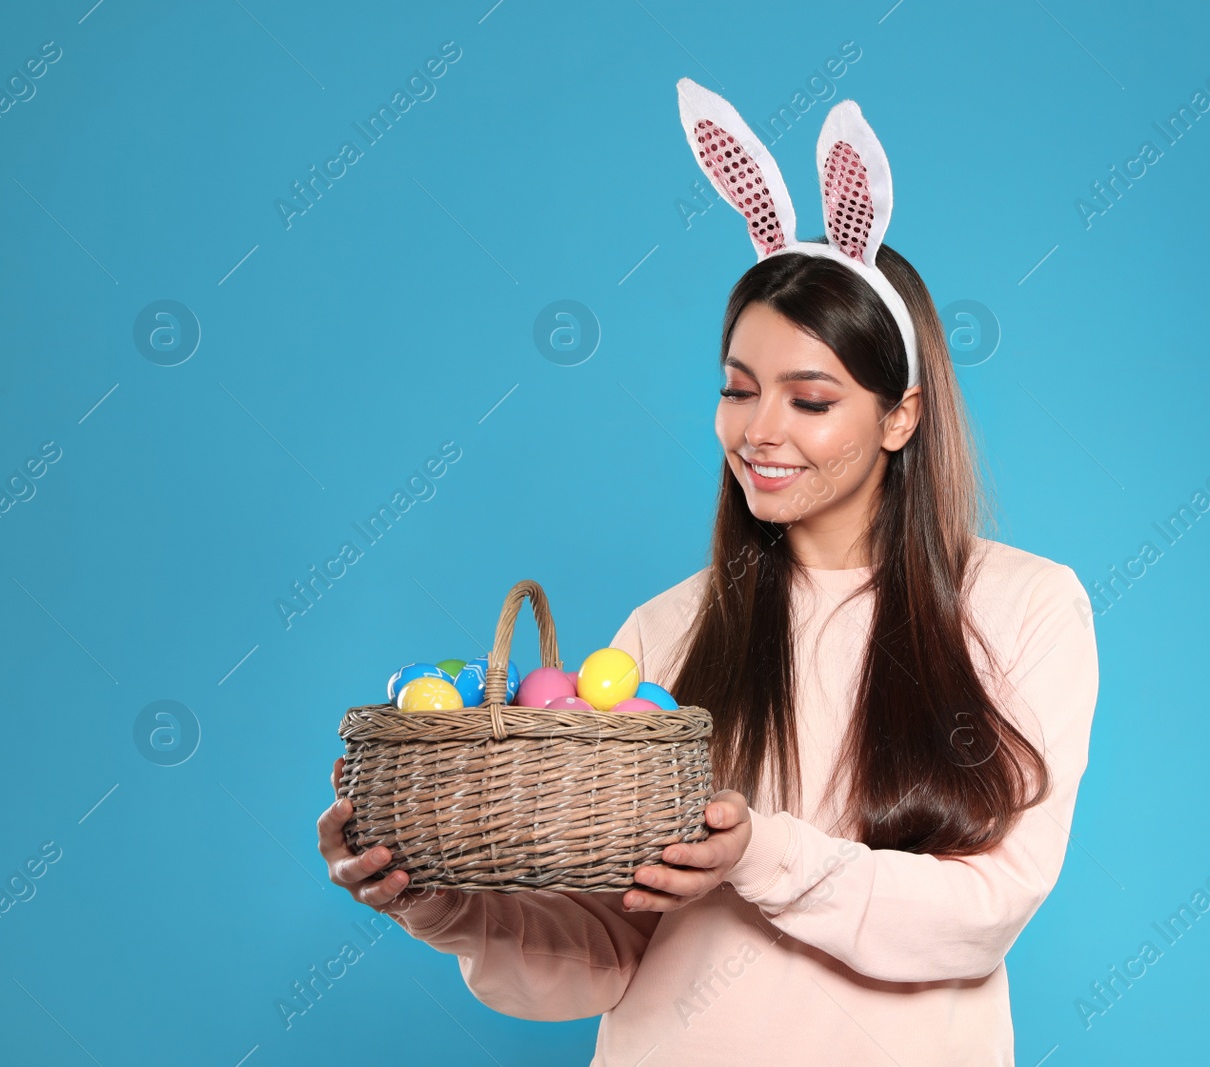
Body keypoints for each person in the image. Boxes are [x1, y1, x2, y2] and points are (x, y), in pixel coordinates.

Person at [317, 81, 1099, 1066]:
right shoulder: (666, 629)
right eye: (737, 390)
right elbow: (604, 953)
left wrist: (756, 852)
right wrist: (442, 894)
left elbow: (987, 908)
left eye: (809, 400)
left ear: (899, 415)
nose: (758, 432)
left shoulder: (1023, 606)